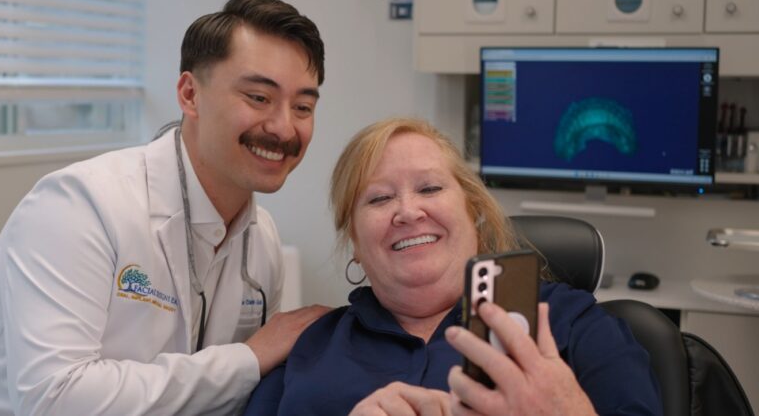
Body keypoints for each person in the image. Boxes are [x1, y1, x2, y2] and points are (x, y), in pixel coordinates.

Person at [0, 0, 332, 416]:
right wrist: (248, 359)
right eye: (258, 97)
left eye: (303, 107)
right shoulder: (78, 206)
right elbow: (55, 400)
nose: (283, 127)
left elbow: (250, 395)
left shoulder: (261, 239)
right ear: (189, 94)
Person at [243, 118, 662, 416]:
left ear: (474, 215)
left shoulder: (572, 325)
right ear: (354, 242)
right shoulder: (309, 348)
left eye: (430, 188)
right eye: (378, 199)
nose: (408, 211)